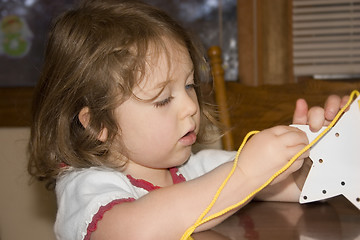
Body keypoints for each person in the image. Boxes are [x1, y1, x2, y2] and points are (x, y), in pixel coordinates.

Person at [27, 0, 349, 239]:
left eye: (189, 85)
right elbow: (133, 231)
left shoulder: (196, 168)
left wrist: (314, 153)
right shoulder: (86, 185)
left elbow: (290, 189)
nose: (190, 107)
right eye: (163, 99)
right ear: (99, 124)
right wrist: (244, 174)